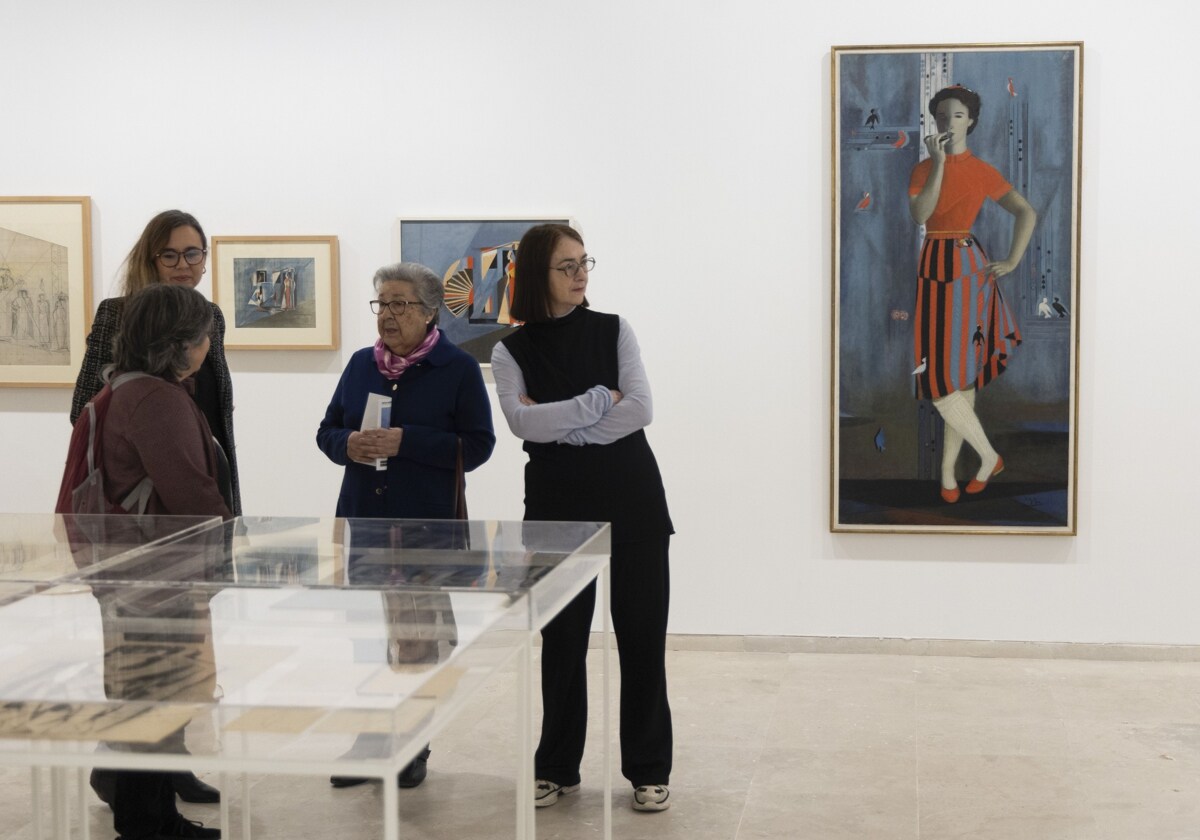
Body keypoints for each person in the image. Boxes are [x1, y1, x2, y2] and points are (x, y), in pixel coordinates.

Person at [490, 224, 674, 813]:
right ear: (537, 275)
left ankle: (648, 769)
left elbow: (641, 408)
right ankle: (556, 767)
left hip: (634, 498)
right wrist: (599, 402)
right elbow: (521, 424)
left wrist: (562, 421)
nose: (580, 274)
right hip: (555, 503)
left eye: (583, 262)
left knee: (641, 636)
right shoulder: (508, 350)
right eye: (566, 265)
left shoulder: (614, 329)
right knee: (561, 641)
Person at [316, 261, 495, 787]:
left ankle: (413, 745)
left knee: (417, 640)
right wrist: (346, 444)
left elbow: (478, 446)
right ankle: (370, 741)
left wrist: (407, 441)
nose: (387, 316)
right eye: (381, 304)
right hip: (364, 522)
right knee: (369, 639)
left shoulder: (456, 368)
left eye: (399, 305)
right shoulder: (358, 365)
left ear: (428, 310)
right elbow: (327, 430)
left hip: (425, 526)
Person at [71, 282, 230, 840]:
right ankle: (147, 823)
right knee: (157, 700)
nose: (208, 344)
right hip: (157, 575)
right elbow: (190, 494)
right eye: (204, 334)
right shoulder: (158, 400)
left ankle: (155, 814)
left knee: (145, 696)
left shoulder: (121, 390)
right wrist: (230, 542)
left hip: (127, 571)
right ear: (181, 341)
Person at [908, 85, 1037, 504]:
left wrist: (1014, 260)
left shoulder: (982, 170)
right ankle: (984, 458)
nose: (949, 123)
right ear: (934, 121)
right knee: (940, 376)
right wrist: (940, 163)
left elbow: (1026, 212)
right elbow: (922, 215)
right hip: (933, 266)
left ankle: (955, 469)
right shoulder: (923, 169)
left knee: (958, 377)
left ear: (972, 121)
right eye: (942, 116)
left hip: (969, 270)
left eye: (958, 116)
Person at [71, 210, 241, 517]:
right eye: (170, 255)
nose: (183, 265)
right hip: (149, 495)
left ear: (204, 258)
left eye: (192, 254)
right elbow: (87, 404)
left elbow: (218, 407)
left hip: (206, 469)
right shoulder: (118, 313)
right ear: (151, 259)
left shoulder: (210, 315)